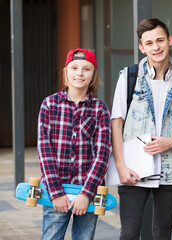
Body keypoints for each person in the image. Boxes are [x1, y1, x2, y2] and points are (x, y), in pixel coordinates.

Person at [111, 18, 172, 240]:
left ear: (170, 41)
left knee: (163, 232)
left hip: (170, 170)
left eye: (160, 40)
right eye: (149, 43)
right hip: (134, 168)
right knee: (129, 233)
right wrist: (120, 166)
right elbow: (116, 123)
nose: (156, 47)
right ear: (142, 48)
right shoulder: (129, 77)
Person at [37, 48, 111, 240]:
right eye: (74, 68)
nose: (79, 73)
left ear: (93, 74)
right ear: (66, 71)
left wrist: (86, 194)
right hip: (56, 192)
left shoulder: (100, 109)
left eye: (86, 69)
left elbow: (102, 154)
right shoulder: (49, 104)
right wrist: (55, 192)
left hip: (88, 193)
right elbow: (44, 151)